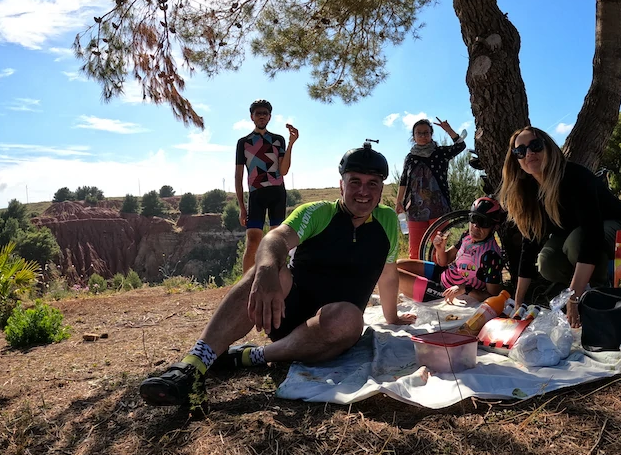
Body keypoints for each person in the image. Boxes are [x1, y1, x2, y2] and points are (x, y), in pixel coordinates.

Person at [140, 143, 417, 412]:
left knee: (348, 317)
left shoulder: (387, 221)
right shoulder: (318, 212)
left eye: (372, 184)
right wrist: (266, 271)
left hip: (332, 329)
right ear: (341, 184)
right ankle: (193, 365)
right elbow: (275, 238)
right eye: (355, 181)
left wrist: (392, 319)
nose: (363, 191)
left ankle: (250, 356)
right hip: (281, 311)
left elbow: (388, 275)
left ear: (382, 188)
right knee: (267, 272)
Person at [498, 126, 621, 328]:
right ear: (516, 161)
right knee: (547, 260)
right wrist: (519, 301)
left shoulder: (574, 177)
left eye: (535, 146)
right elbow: (529, 247)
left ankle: (599, 295)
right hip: (580, 235)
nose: (529, 153)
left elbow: (592, 236)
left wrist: (572, 299)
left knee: (576, 242)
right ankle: (585, 288)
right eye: (520, 151)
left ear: (548, 148)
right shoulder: (529, 191)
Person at [396, 197, 505, 304]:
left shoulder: (491, 256)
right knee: (397, 265)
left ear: (494, 227)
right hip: (443, 274)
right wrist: (440, 249)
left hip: (445, 291)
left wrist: (466, 289)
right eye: (473, 218)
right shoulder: (467, 236)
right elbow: (444, 261)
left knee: (393, 274)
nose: (476, 226)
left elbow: (493, 296)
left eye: (483, 222)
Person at [235, 98, 300, 274]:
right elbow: (238, 176)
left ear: (270, 117)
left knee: (276, 242)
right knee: (253, 241)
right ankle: (246, 287)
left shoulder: (278, 140)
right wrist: (241, 207)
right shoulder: (244, 142)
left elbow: (284, 170)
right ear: (252, 117)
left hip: (277, 193)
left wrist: (292, 143)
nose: (262, 116)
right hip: (256, 194)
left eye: (265, 113)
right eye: (258, 113)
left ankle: (277, 281)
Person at [396, 117, 467, 260]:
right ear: (414, 136)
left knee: (438, 249)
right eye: (419, 133)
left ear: (431, 134)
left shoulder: (440, 153)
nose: (423, 136)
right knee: (415, 251)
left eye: (426, 133)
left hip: (438, 208)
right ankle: (417, 280)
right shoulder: (410, 157)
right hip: (415, 209)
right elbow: (403, 180)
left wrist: (448, 130)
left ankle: (439, 279)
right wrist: (399, 201)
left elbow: (460, 146)